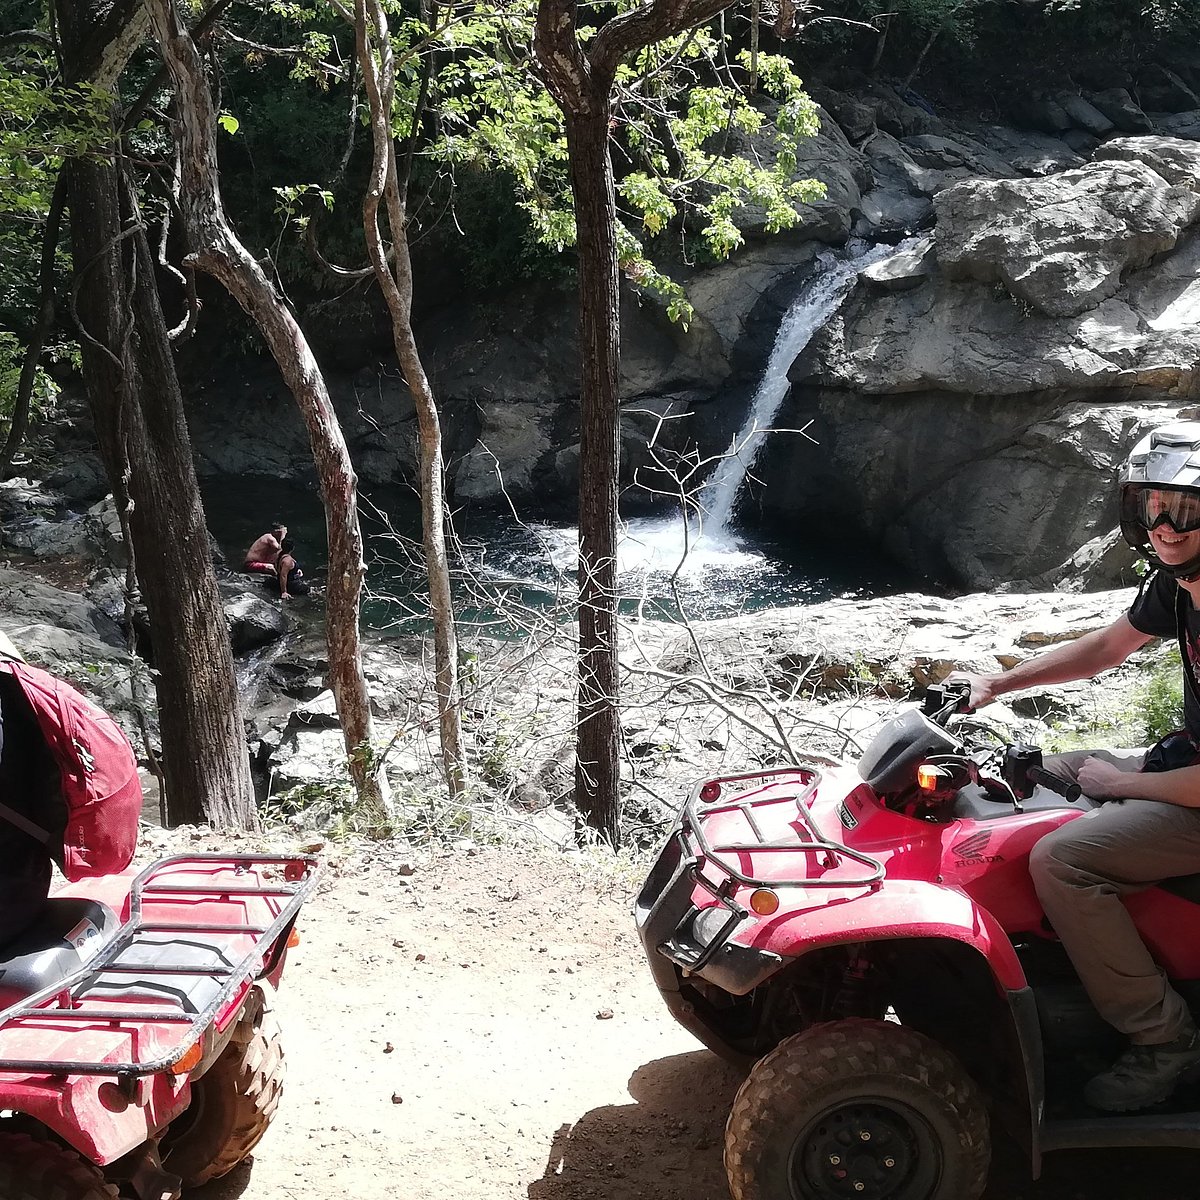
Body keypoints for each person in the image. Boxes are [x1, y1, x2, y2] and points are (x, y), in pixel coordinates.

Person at [951, 421, 1200, 1112]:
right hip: (1186, 767)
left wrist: (1124, 784)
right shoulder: (1181, 587)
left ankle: (1164, 1039)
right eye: (1153, 506)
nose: (1165, 525)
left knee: (1061, 859)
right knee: (1034, 779)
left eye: (1186, 509)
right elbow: (1103, 649)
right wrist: (995, 684)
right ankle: (1055, 975)